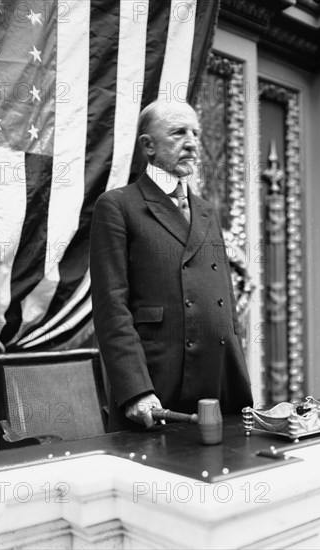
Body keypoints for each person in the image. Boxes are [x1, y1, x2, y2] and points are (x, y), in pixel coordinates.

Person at [90, 100, 253, 431]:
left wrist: (237, 378)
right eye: (179, 133)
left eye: (196, 133)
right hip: (159, 389)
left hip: (219, 384)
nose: (192, 143)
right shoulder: (119, 206)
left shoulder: (207, 211)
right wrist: (136, 390)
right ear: (148, 146)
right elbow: (112, 308)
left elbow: (227, 307)